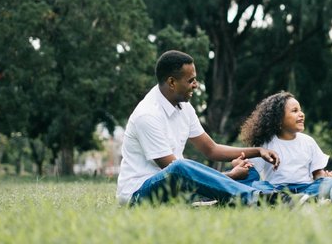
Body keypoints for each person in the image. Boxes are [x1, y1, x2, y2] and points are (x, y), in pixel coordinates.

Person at [116, 50, 283, 206]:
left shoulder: (184, 107)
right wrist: (231, 175)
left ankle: (278, 195)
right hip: (140, 194)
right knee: (179, 166)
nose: (196, 85)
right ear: (172, 82)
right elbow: (177, 173)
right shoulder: (147, 115)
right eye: (190, 80)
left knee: (249, 173)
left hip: (178, 187)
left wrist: (258, 151)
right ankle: (254, 197)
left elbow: (211, 149)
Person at [237, 91, 332, 200]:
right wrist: (241, 164)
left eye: (300, 110)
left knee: (330, 182)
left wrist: (323, 178)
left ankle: (302, 199)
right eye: (295, 111)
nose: (301, 114)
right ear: (278, 119)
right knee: (258, 186)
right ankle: (296, 200)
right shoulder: (265, 144)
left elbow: (317, 173)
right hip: (276, 190)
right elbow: (251, 171)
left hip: (305, 187)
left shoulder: (308, 141)